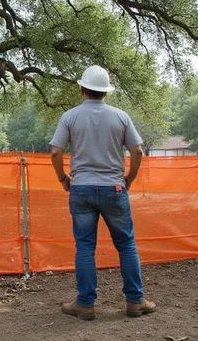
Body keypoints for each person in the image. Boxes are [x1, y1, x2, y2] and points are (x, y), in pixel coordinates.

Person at [49, 65, 156, 320]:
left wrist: (63, 178)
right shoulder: (120, 116)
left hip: (81, 188)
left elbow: (55, 151)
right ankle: (135, 301)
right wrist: (128, 178)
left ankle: (85, 304)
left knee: (85, 246)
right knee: (126, 244)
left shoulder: (70, 116)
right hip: (114, 188)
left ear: (81, 89)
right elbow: (138, 151)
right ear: (105, 93)